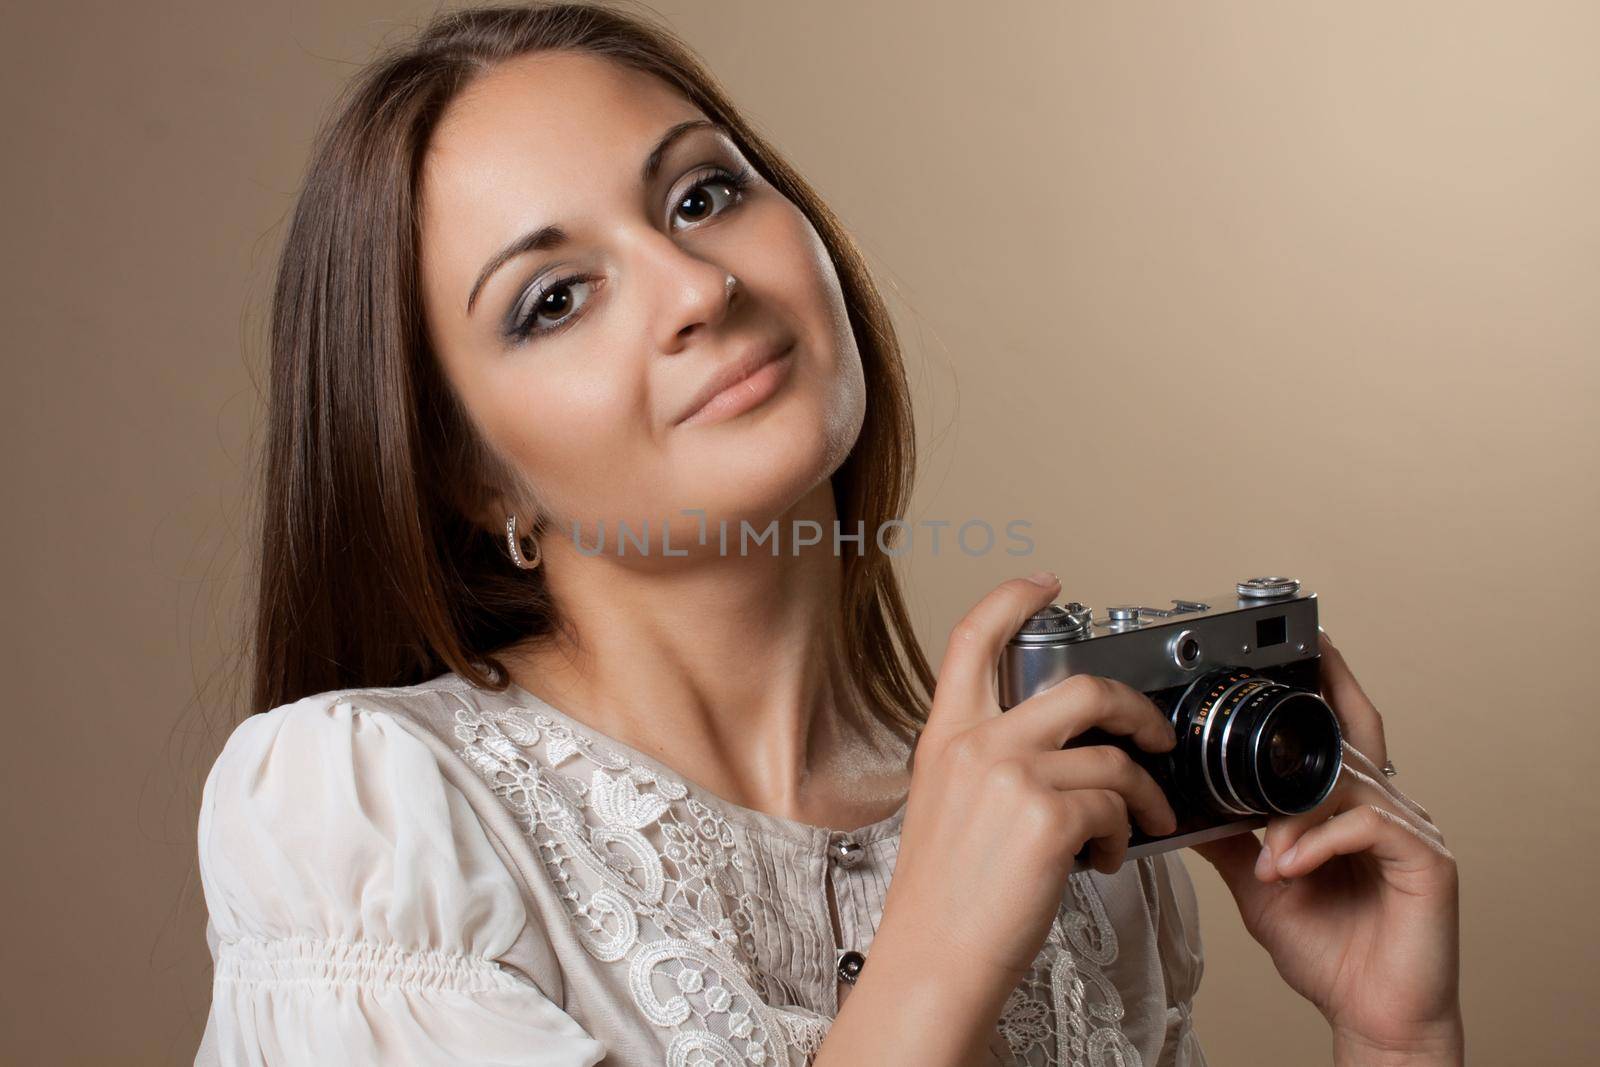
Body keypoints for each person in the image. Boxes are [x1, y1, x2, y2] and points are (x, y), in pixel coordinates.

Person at [192, 4, 1462, 1064]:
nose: (700, 288)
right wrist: (934, 966)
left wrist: (1394, 1031)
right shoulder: (368, 826)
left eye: (702, 193)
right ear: (472, 478)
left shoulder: (1070, 828)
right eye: (554, 298)